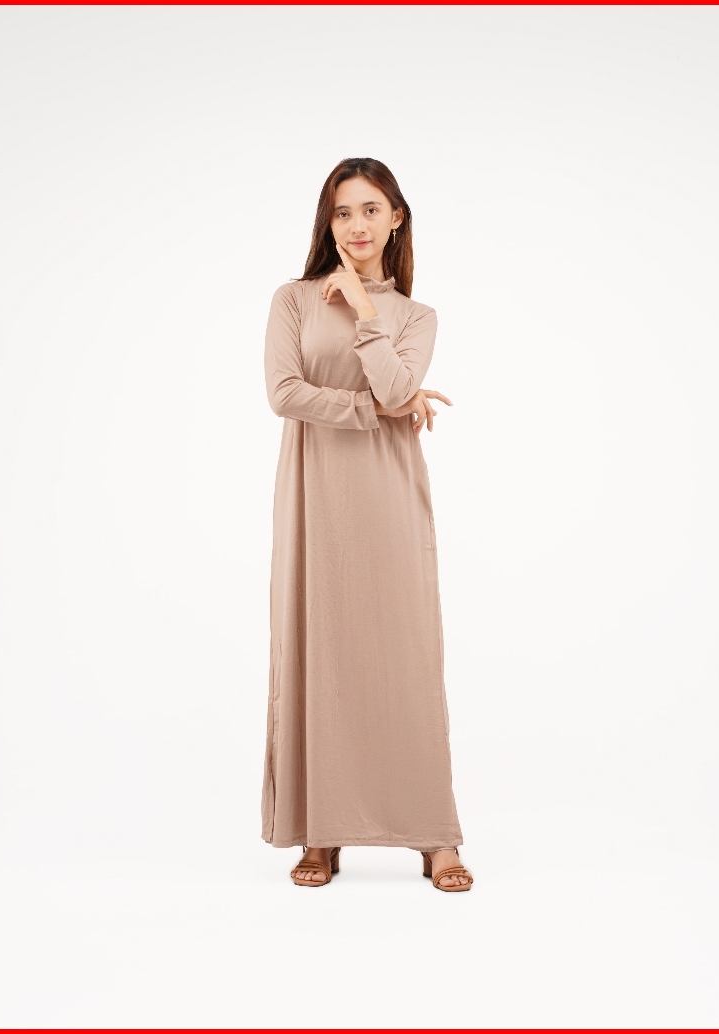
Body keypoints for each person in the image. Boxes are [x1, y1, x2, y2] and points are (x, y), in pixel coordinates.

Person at [262, 158, 473, 893]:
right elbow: (284, 393)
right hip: (314, 497)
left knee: (404, 655)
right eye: (343, 211)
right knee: (320, 650)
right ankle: (321, 829)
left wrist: (363, 307)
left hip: (387, 496)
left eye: (371, 209)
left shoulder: (416, 317)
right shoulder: (292, 300)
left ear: (396, 218)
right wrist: (374, 409)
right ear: (329, 221)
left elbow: (397, 382)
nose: (356, 225)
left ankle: (434, 834)